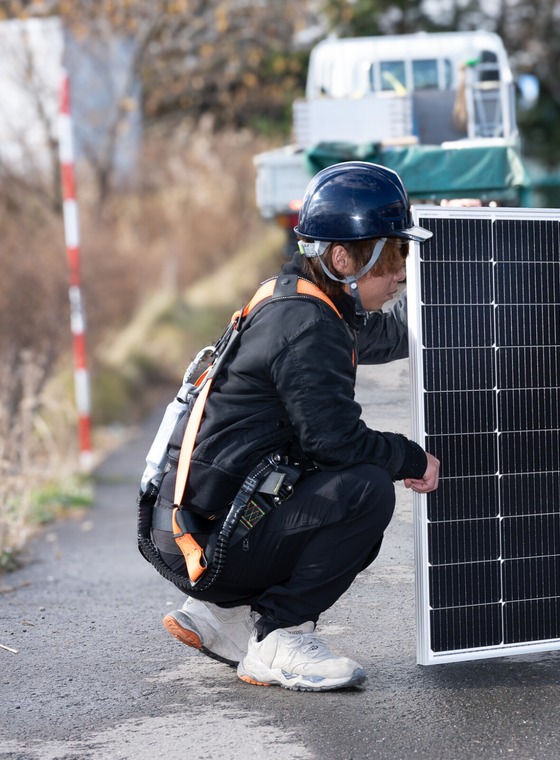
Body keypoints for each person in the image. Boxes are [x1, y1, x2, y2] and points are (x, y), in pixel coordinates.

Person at [146, 161, 440, 691]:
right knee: (364, 490)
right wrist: (415, 458)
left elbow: (393, 336)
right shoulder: (309, 326)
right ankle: (278, 635)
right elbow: (336, 442)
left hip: (194, 524)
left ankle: (223, 616)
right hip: (204, 540)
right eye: (394, 254)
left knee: (331, 477)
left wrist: (462, 252)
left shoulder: (298, 301)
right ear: (344, 257)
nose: (403, 271)